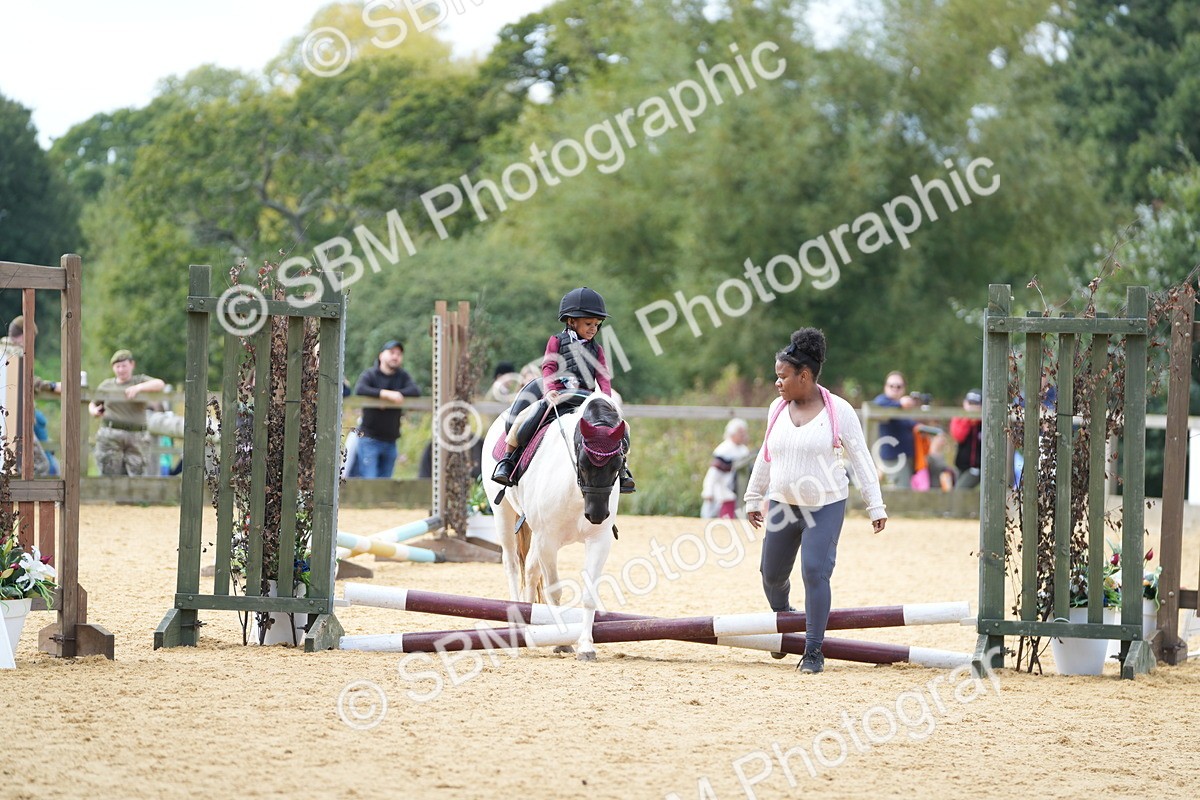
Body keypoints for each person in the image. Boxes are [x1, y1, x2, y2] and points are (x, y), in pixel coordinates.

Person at [744, 328, 887, 674]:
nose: (777, 383)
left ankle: (812, 650)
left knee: (814, 571)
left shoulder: (840, 411)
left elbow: (863, 458)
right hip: (782, 503)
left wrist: (875, 505)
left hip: (825, 504)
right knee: (770, 575)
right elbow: (766, 455)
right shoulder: (776, 409)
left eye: (782, 376)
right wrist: (753, 496)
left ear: (804, 376)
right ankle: (784, 621)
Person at [491, 286, 635, 492]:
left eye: (596, 324)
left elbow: (602, 374)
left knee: (622, 428)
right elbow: (548, 366)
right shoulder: (556, 341)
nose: (593, 328)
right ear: (571, 321)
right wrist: (549, 389)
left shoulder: (597, 349)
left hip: (585, 397)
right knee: (524, 418)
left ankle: (622, 469)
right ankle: (508, 461)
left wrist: (606, 396)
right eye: (588, 324)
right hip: (558, 395)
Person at [350, 339, 421, 479]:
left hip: (390, 440)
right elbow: (360, 389)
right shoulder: (370, 374)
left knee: (386, 483)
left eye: (399, 354)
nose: (395, 356)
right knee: (370, 481)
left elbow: (415, 391)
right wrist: (385, 394)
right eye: (392, 352)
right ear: (381, 355)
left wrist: (398, 395)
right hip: (369, 438)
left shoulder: (402, 376)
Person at [89, 349, 166, 476]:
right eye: (117, 366)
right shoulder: (106, 385)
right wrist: (94, 411)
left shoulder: (139, 380)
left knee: (137, 473)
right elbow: (93, 403)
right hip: (111, 434)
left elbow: (160, 384)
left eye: (124, 366)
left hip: (136, 435)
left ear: (132, 365)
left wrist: (139, 388)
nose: (121, 370)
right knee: (109, 473)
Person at [0, 316, 61, 476]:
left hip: (9, 419)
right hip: (16, 421)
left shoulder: (3, 348)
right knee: (40, 465)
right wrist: (52, 386)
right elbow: (26, 379)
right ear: (25, 335)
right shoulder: (15, 352)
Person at [872, 370, 919, 488]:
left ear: (904, 388)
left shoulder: (903, 407)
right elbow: (877, 404)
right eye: (891, 385)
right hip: (894, 460)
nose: (895, 388)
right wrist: (900, 404)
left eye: (899, 386)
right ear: (885, 387)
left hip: (907, 459)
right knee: (902, 496)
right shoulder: (883, 402)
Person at [700, 418, 750, 518]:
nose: (743, 435)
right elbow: (713, 473)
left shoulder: (744, 450)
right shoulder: (724, 450)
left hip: (739, 492)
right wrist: (708, 491)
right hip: (724, 492)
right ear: (732, 434)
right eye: (740, 433)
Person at [950, 389, 983, 490]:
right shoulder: (959, 419)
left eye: (976, 404)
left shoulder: (984, 422)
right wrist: (968, 420)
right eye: (970, 403)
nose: (972, 407)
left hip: (976, 467)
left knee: (959, 491)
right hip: (960, 466)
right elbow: (959, 436)